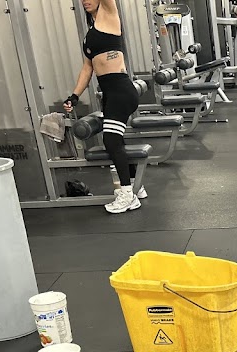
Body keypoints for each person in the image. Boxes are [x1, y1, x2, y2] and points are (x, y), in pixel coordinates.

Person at [64, 0, 143, 214]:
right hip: (110, 93)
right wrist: (74, 96)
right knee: (117, 139)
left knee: (111, 140)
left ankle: (127, 195)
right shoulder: (90, 33)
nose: (85, 1)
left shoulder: (109, 15)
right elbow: (87, 68)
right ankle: (135, 186)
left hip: (120, 90)